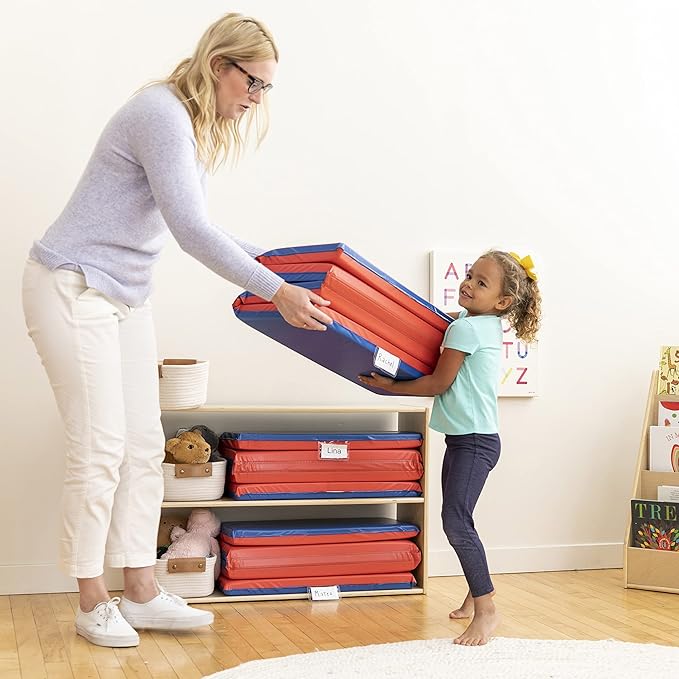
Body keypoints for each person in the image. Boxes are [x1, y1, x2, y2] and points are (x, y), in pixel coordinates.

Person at [21, 12, 332, 649]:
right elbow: (191, 233)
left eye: (266, 88)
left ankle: (140, 591)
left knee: (142, 447)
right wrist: (276, 291)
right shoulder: (160, 113)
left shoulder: (188, 126)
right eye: (252, 82)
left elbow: (199, 223)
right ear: (219, 65)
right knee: (100, 447)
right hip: (74, 283)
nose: (256, 98)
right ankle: (92, 600)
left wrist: (278, 264)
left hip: (125, 296)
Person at [359, 250, 541, 646]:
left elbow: (438, 384)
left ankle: (487, 610)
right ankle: (475, 593)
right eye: (470, 275)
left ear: (503, 301)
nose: (468, 284)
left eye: (481, 282)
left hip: (473, 442)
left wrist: (390, 387)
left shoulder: (465, 328)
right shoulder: (482, 323)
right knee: (461, 519)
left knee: (456, 522)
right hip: (469, 439)